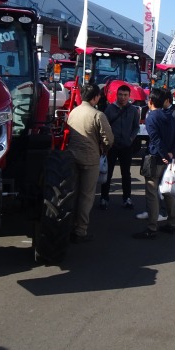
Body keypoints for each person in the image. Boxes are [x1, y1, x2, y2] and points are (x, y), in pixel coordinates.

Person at [65, 84, 114, 243]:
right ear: (95, 97)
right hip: (90, 158)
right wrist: (104, 148)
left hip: (72, 156)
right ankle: (81, 230)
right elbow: (108, 139)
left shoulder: (73, 112)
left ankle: (69, 225)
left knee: (74, 192)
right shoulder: (98, 115)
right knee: (86, 196)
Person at [133, 88, 175, 240]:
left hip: (155, 157)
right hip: (168, 158)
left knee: (152, 192)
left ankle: (152, 227)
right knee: (168, 189)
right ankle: (172, 223)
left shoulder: (151, 117)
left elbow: (155, 139)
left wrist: (164, 154)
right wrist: (171, 153)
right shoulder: (170, 115)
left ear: (150, 101)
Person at [101, 84, 141, 210]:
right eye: (120, 95)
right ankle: (104, 198)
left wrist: (130, 139)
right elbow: (104, 127)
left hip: (126, 146)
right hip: (112, 146)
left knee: (126, 174)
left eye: (125, 95)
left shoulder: (133, 110)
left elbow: (136, 127)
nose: (122, 97)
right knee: (108, 173)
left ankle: (127, 198)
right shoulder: (109, 109)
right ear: (116, 95)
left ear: (129, 96)